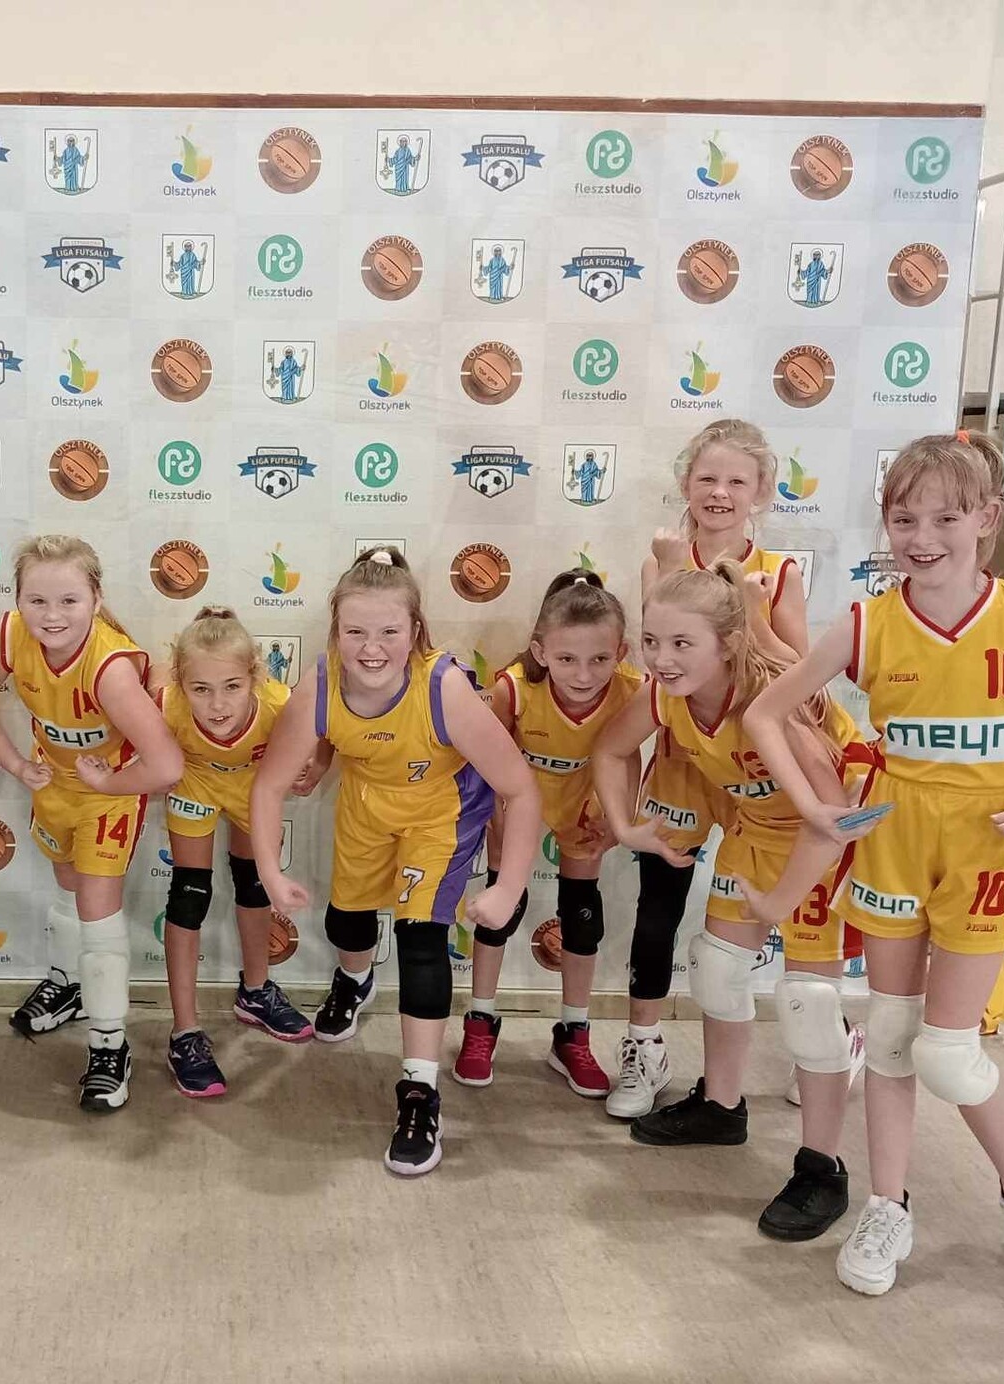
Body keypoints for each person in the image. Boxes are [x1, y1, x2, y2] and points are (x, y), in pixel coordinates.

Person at [745, 431, 1004, 1301]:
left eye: (944, 518)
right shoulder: (867, 622)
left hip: (984, 849)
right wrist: (814, 807)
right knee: (890, 1038)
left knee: (951, 1054)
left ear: (987, 519)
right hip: (894, 839)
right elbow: (765, 714)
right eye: (903, 519)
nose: (921, 537)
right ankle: (888, 1205)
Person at [594, 561, 870, 1240]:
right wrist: (627, 826)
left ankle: (823, 1167)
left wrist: (778, 902)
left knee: (809, 1005)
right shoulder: (666, 696)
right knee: (716, 970)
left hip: (824, 844)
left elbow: (833, 819)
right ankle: (720, 1108)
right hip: (757, 832)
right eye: (652, 642)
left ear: (728, 644)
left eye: (681, 643)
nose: (662, 658)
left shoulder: (773, 704)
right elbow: (610, 750)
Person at [251, 548, 541, 1176]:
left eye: (389, 631)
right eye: (355, 631)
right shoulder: (319, 687)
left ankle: (419, 1092)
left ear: (415, 631)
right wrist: (270, 872)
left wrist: (510, 886)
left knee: (421, 943)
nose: (372, 648)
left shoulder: (446, 689)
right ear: (335, 632)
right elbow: (269, 786)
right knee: (347, 924)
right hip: (365, 806)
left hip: (440, 815)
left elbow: (520, 789)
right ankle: (354, 981)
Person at [610, 419, 830, 1121]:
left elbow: (802, 681)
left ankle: (821, 1050)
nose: (720, 492)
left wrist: (755, 612)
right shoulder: (664, 559)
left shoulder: (780, 572)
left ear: (761, 492)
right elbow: (660, 661)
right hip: (688, 756)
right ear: (685, 484)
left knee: (795, 916)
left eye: (737, 480)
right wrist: (672, 570)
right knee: (662, 907)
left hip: (764, 759)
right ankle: (645, 1048)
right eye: (707, 477)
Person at [0, 536, 183, 1111]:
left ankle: (109, 1044)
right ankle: (67, 985)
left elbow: (166, 766)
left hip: (109, 791)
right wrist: (15, 763)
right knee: (68, 887)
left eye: (69, 600)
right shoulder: (7, 636)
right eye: (37, 600)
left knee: (98, 914)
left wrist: (109, 786)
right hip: (54, 783)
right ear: (17, 602)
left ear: (96, 600)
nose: (53, 615)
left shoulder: (110, 670)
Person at [453, 570, 641, 1100]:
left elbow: (630, 755)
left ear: (621, 653)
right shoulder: (514, 688)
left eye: (599, 659)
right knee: (502, 907)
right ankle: (480, 1022)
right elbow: (485, 758)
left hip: (584, 802)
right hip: (520, 800)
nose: (583, 674)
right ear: (541, 651)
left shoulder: (632, 691)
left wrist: (618, 818)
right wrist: (494, 815)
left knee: (582, 915)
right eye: (567, 659)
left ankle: (573, 1033)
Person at [151, 606, 326, 1098]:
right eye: (201, 689)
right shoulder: (165, 703)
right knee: (189, 895)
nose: (217, 705)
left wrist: (314, 767)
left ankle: (256, 990)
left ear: (255, 676)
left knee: (254, 884)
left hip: (255, 787)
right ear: (181, 684)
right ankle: (185, 1032)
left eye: (232, 686)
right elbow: (136, 727)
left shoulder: (278, 703)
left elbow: (325, 728)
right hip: (196, 784)